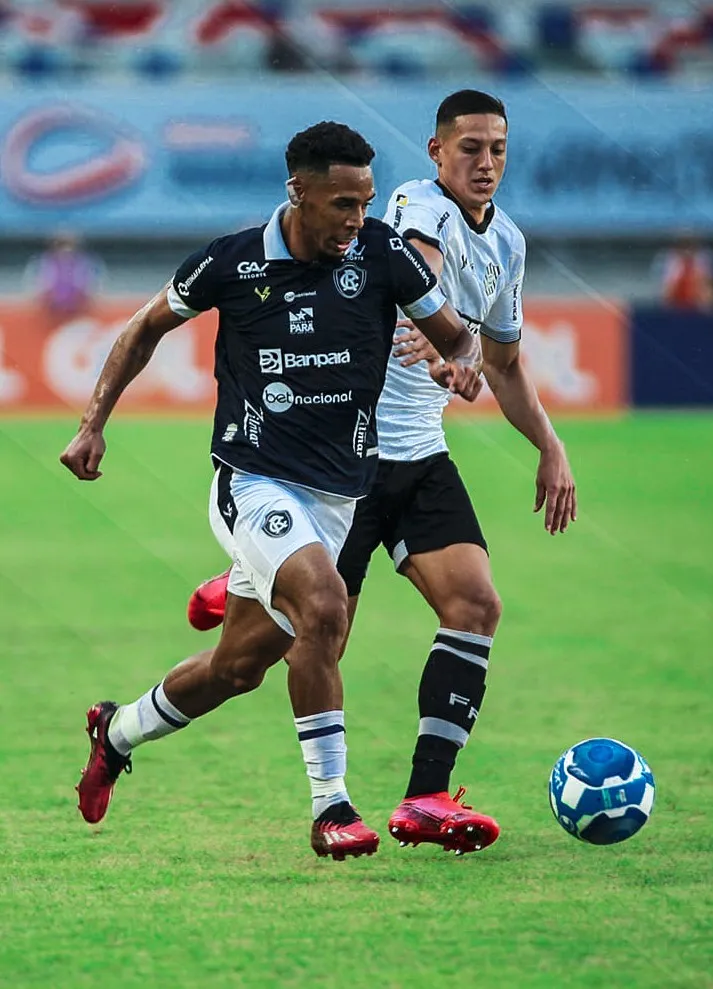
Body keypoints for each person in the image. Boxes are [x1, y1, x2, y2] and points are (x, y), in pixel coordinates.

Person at [60, 121, 482, 861]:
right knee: (324, 605)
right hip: (252, 482)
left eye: (366, 202)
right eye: (342, 204)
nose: (356, 220)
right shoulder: (232, 261)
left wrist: (460, 363)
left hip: (338, 498)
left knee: (236, 668)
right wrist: (93, 424)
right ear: (299, 192)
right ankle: (332, 807)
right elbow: (142, 327)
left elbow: (457, 335)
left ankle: (117, 731)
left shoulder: (382, 252)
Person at [188, 90, 577, 856]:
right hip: (347, 467)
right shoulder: (410, 207)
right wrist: (437, 323)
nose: (485, 163)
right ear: (436, 152)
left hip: (420, 456)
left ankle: (425, 795)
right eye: (469, 148)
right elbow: (418, 265)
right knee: (282, 651)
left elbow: (500, 364)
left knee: (475, 604)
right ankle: (245, 579)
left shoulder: (507, 245)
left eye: (497, 149)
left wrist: (548, 444)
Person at [26, 230, 102, 318]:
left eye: (69, 246)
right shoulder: (45, 261)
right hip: (52, 308)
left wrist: (85, 297)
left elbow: (90, 285)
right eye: (62, 245)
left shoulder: (83, 262)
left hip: (77, 307)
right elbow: (39, 285)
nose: (66, 250)